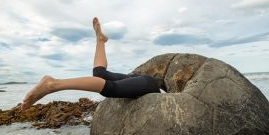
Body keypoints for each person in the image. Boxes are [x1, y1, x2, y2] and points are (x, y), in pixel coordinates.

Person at [21, 17, 164, 111]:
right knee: (110, 87)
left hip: (142, 81)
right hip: (150, 84)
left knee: (100, 75)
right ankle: (53, 84)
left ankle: (100, 40)